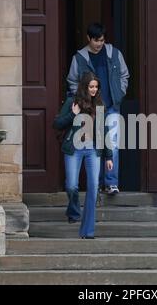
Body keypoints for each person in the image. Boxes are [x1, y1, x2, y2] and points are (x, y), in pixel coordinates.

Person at [67, 22, 129, 195]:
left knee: (113, 144)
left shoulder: (114, 54)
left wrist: (120, 93)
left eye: (102, 40)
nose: (99, 44)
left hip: (111, 107)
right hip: (91, 110)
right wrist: (81, 98)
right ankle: (96, 184)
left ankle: (111, 183)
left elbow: (125, 75)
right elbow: (72, 81)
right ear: (88, 38)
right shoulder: (79, 58)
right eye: (96, 40)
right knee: (94, 146)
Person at [53, 72, 113, 239]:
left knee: (93, 187)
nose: (93, 90)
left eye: (96, 87)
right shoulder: (73, 102)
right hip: (74, 148)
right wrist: (73, 114)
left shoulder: (100, 105)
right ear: (84, 87)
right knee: (71, 185)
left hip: (93, 150)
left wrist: (109, 157)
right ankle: (73, 211)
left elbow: (104, 131)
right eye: (91, 86)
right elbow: (56, 123)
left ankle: (88, 231)